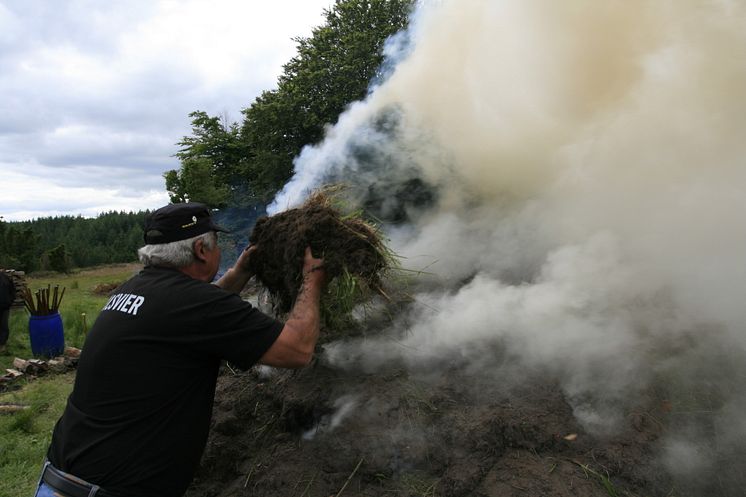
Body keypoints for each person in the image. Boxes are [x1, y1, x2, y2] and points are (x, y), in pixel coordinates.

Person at [35, 202, 327, 497]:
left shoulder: (133, 288)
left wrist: (240, 272)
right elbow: (297, 349)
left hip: (61, 481)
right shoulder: (193, 304)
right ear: (201, 250)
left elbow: (192, 312)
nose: (219, 251)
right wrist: (312, 277)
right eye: (216, 244)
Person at [0, 268, 16, 353]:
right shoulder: (6, 278)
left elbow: (13, 291)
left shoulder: (6, 278)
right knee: (3, 326)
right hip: (5, 305)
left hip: (5, 306)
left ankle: (2, 345)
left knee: (4, 326)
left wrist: (10, 301)